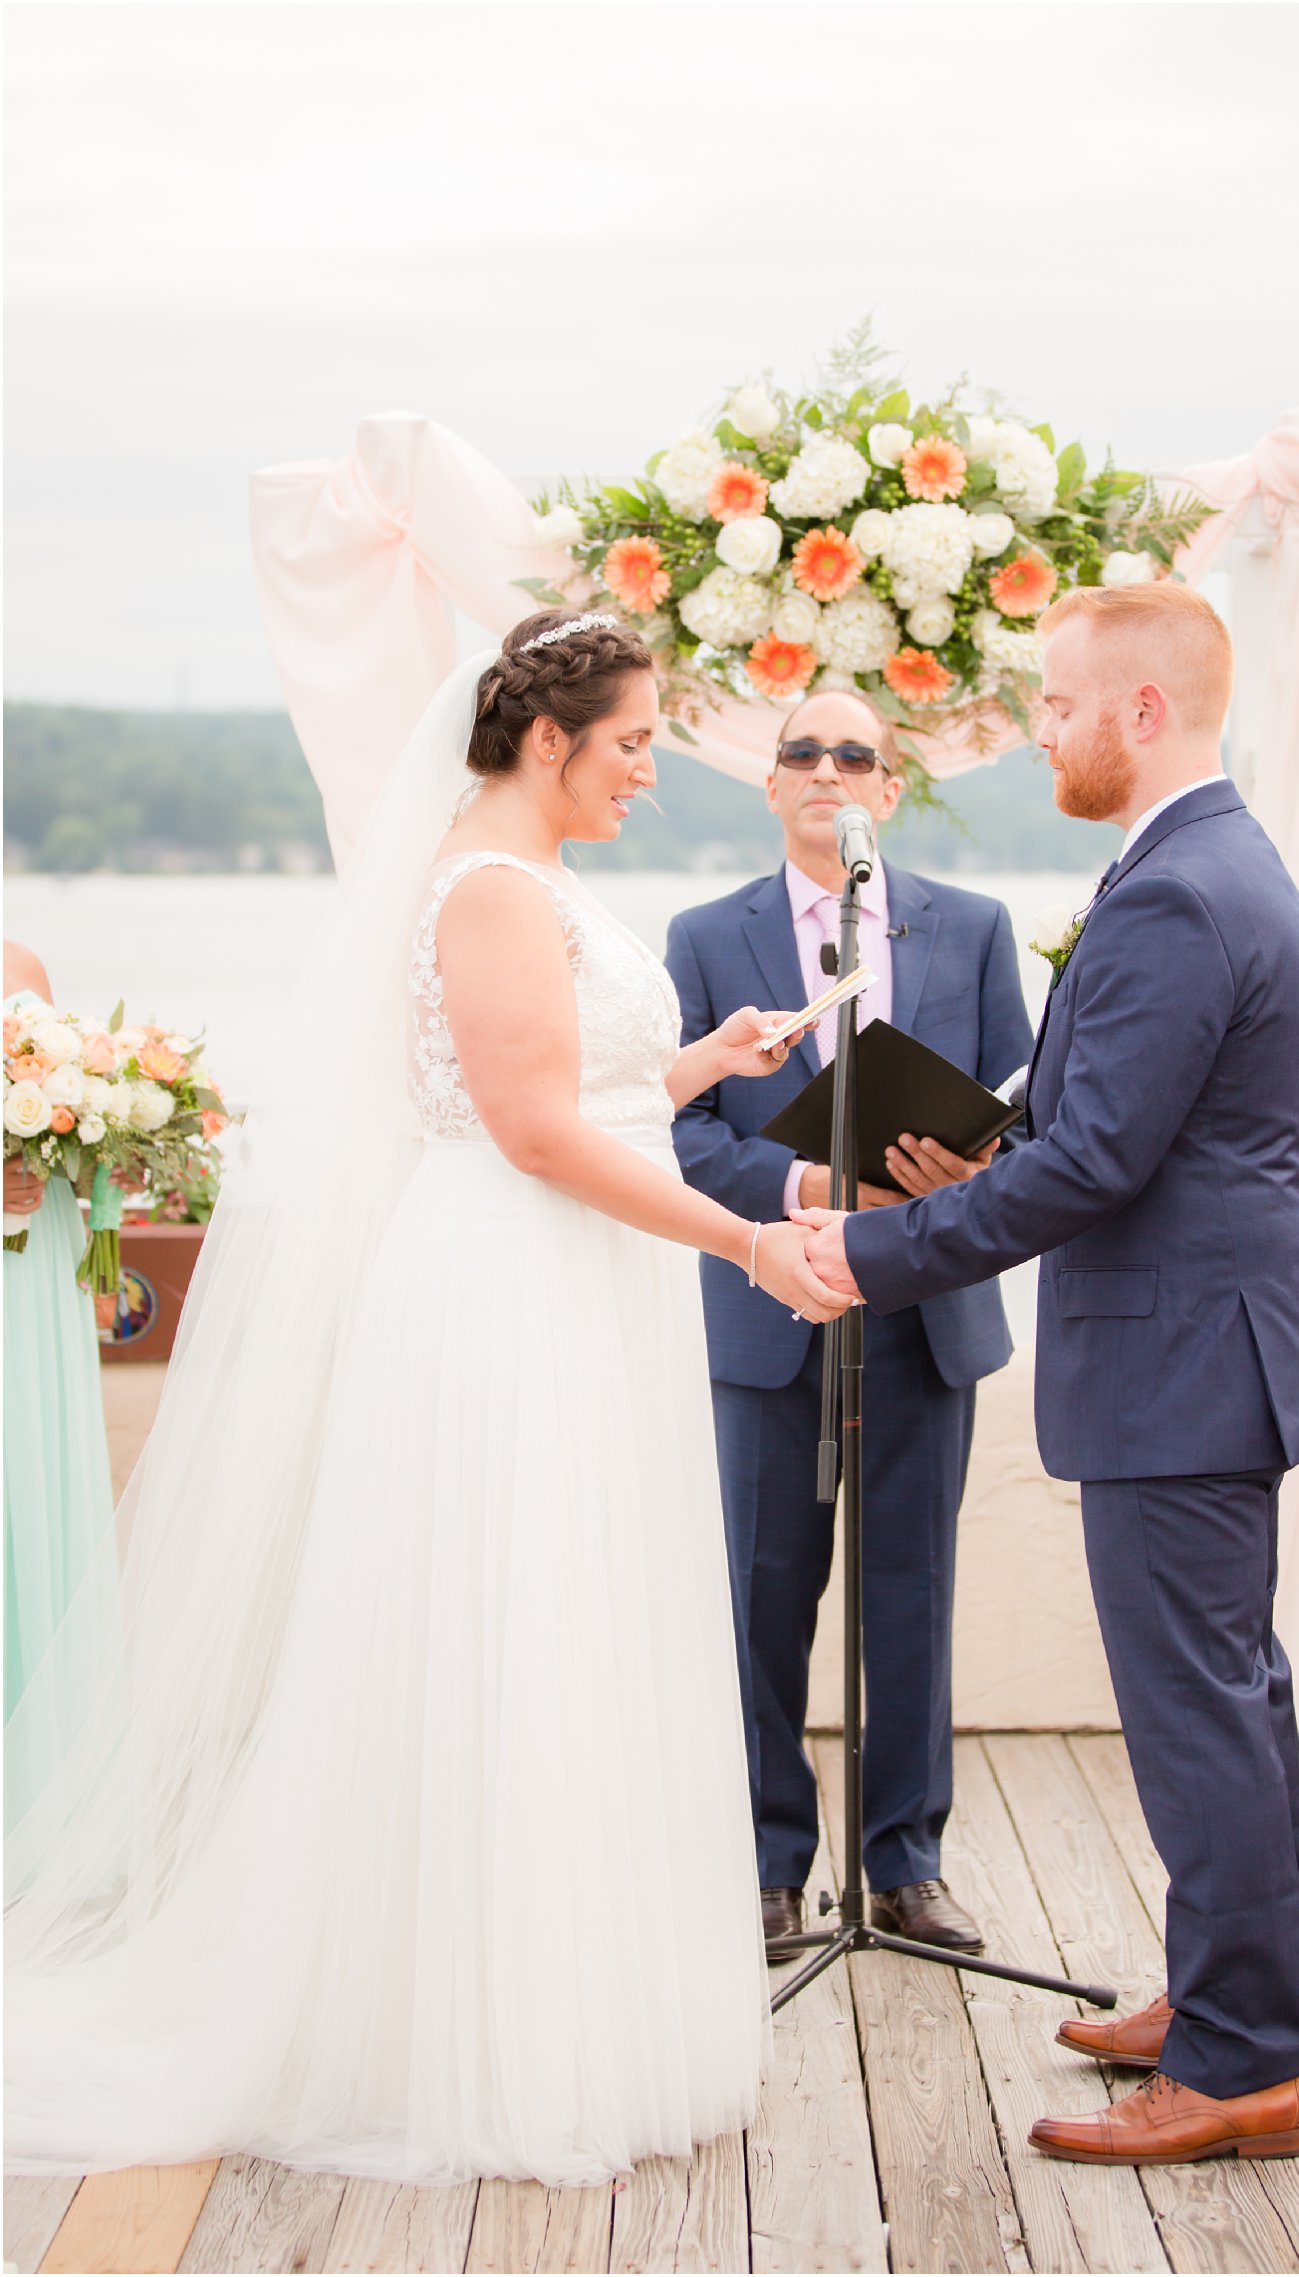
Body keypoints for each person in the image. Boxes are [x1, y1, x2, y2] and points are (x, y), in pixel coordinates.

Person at [5, 612, 849, 2187]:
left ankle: (581, 2008)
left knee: (581, 1621)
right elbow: (524, 1132)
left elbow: (563, 1090)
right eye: (631, 743)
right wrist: (747, 1236)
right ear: (546, 739)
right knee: (510, 1626)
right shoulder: (484, 887)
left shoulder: (527, 882)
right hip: (512, 1293)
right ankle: (487, 2035)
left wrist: (699, 1064)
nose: (651, 772)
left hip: (582, 1282)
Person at [799, 581, 1299, 2168]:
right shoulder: (1202, 862)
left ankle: (1241, 2062)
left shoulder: (1179, 887)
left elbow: (1100, 1160)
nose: (1040, 729)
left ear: (1142, 712)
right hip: (1211, 1350)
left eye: (1055, 703)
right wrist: (968, 1156)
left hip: (1183, 1359)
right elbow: (1105, 1117)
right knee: (1231, 1697)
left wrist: (876, 1253)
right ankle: (1226, 1993)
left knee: (1199, 1713)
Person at [666, 689, 1032, 1958]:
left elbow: (1016, 1113)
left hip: (925, 1309)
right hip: (767, 1307)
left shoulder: (972, 928)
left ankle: (904, 1867)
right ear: (769, 785)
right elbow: (678, 1134)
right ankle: (767, 1864)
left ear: (888, 787)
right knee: (761, 1596)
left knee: (909, 1594)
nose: (827, 769)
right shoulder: (705, 936)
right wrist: (812, 1187)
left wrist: (962, 1170)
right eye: (800, 752)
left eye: (854, 754)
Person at [4, 940, 119, 1811]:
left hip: (32, 1256)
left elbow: (76, 1126)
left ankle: (37, 1791)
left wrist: (54, 1161)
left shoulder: (22, 964)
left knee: (30, 1483)